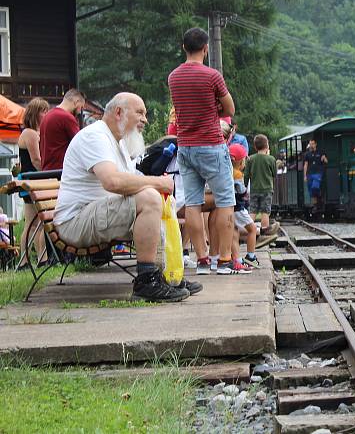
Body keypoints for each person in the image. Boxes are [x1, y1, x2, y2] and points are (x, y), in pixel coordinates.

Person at [53, 93, 201, 302]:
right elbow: (112, 182)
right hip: (75, 221)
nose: (145, 119)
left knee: (161, 199)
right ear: (119, 112)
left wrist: (158, 187)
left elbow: (131, 182)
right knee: (150, 197)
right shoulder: (95, 136)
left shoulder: (118, 142)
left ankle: (168, 277)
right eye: (140, 112)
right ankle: (147, 281)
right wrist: (157, 182)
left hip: (95, 214)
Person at [168, 27, 236, 276]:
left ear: (183, 47)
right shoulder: (212, 76)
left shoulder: (173, 77)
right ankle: (226, 260)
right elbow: (230, 108)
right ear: (206, 49)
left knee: (193, 204)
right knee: (226, 201)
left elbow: (183, 108)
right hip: (211, 145)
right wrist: (212, 108)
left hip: (185, 147)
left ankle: (203, 260)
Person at [17, 97, 49, 267]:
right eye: (44, 111)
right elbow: (36, 160)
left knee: (35, 222)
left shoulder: (34, 133)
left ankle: (36, 259)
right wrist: (49, 175)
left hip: (32, 181)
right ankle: (30, 260)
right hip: (32, 181)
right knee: (35, 222)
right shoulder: (30, 133)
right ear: (35, 113)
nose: (46, 114)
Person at [244, 134, 279, 246]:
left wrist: (244, 188)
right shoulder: (271, 159)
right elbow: (274, 174)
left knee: (252, 212)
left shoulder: (250, 159)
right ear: (267, 145)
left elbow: (246, 175)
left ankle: (248, 233)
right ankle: (265, 236)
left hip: (254, 189)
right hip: (267, 189)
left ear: (255, 146)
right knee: (265, 212)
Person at [39, 89, 86, 171]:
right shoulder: (66, 117)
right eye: (81, 107)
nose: (79, 112)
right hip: (62, 170)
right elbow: (80, 144)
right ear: (76, 102)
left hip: (47, 170)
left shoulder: (47, 116)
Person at [228, 144, 257, 272]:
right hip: (238, 209)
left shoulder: (227, 172)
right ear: (240, 161)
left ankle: (237, 260)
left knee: (234, 233)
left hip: (229, 208)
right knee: (252, 229)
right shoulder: (238, 174)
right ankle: (251, 256)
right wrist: (247, 194)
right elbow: (241, 192)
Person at [303, 139, 327, 211]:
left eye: (313, 144)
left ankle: (319, 198)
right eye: (310, 144)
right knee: (311, 190)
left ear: (315, 144)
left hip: (318, 173)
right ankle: (315, 205)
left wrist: (324, 158)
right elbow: (305, 165)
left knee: (315, 187)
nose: (311, 145)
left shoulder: (320, 152)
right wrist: (305, 175)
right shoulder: (307, 154)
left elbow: (326, 161)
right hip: (310, 173)